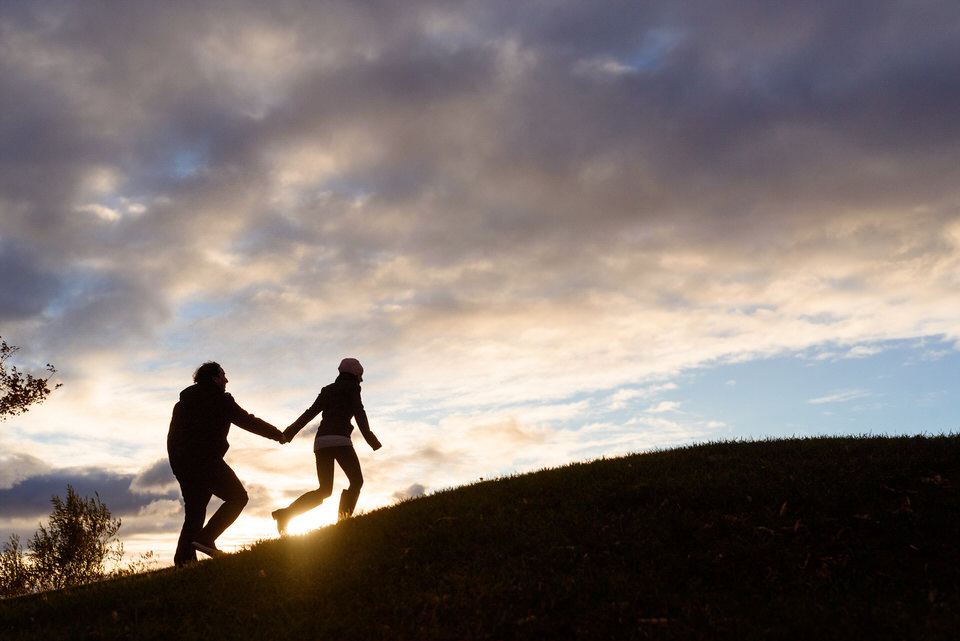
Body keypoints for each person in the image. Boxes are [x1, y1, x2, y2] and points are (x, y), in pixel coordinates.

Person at [167, 361, 285, 566]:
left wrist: (178, 467)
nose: (226, 380)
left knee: (195, 513)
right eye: (223, 375)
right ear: (214, 378)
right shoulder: (220, 399)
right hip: (206, 461)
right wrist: (278, 434)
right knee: (238, 497)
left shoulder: (182, 404)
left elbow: (172, 438)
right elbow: (248, 421)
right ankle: (206, 538)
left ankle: (184, 562)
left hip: (184, 466)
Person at [272, 357, 382, 534]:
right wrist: (372, 441)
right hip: (340, 440)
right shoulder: (353, 388)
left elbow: (309, 413)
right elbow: (360, 413)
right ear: (355, 376)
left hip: (321, 442)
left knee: (324, 490)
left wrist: (288, 433)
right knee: (356, 481)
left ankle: (285, 514)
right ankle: (343, 521)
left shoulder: (327, 390)